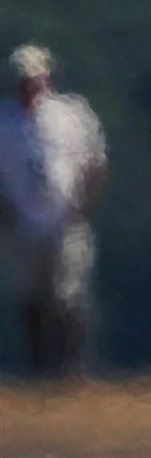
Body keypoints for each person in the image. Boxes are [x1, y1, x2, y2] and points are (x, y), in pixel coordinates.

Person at [0, 43, 106, 377]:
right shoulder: (5, 122)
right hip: (22, 223)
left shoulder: (71, 115)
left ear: (46, 78)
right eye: (23, 80)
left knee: (67, 296)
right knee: (29, 297)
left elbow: (95, 161)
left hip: (64, 221)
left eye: (34, 79)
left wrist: (83, 205)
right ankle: (36, 368)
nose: (29, 87)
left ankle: (71, 368)